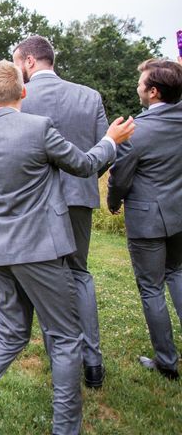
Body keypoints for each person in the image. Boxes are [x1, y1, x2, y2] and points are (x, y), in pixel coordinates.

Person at [0, 61, 134, 435]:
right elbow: (84, 165)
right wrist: (110, 140)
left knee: (10, 334)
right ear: (23, 92)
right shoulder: (40, 128)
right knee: (63, 338)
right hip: (41, 251)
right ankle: (65, 429)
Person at [13, 35, 109, 388]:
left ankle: (62, 362)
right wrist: (83, 182)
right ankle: (93, 362)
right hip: (81, 197)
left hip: (38, 203)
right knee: (81, 275)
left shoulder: (21, 99)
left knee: (49, 282)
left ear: (28, 62)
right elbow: (105, 150)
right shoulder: (89, 96)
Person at [107, 58, 182, 380]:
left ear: (153, 92)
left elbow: (120, 177)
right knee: (178, 274)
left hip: (147, 221)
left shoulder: (136, 132)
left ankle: (167, 361)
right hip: (180, 216)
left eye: (141, 84)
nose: (137, 87)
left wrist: (112, 201)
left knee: (151, 289)